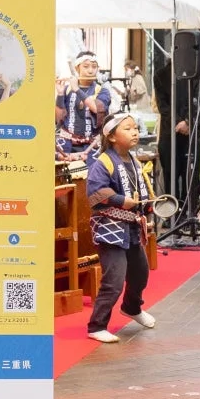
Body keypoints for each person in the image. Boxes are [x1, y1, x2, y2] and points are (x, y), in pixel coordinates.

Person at [85, 113, 158, 344]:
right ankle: (96, 325)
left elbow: (143, 192)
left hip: (132, 228)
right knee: (114, 280)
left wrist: (146, 212)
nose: (135, 132)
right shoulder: (103, 162)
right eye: (127, 128)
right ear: (112, 136)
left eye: (135, 128)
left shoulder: (134, 161)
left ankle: (131, 307)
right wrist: (119, 199)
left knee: (140, 274)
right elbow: (95, 192)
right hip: (111, 229)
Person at [56, 51, 110, 144]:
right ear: (77, 68)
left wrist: (77, 89)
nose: (90, 70)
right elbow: (58, 118)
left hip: (92, 144)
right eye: (86, 66)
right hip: (67, 143)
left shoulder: (102, 91)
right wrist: (60, 94)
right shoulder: (67, 89)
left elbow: (97, 109)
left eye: (94, 67)